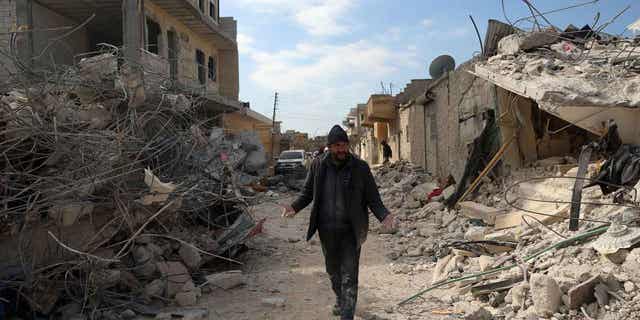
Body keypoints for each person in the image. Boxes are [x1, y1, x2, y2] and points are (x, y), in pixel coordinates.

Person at [281, 125, 395, 320]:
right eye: (337, 145)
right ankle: (340, 299)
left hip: (351, 231)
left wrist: (384, 215)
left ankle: (347, 314)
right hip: (326, 230)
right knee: (333, 273)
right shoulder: (318, 165)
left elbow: (373, 198)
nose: (341, 149)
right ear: (329, 147)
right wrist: (294, 207)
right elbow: (307, 192)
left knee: (349, 275)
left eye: (344, 145)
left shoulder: (360, 168)